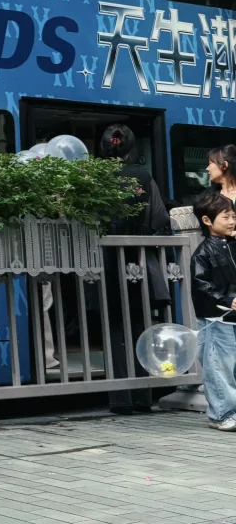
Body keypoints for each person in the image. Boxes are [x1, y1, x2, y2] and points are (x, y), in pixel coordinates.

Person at [98, 123, 171, 413]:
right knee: (141, 326)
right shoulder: (143, 175)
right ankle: (143, 397)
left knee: (114, 327)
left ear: (104, 147)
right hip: (138, 261)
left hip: (106, 262)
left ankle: (120, 399)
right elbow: (159, 219)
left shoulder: (94, 178)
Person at [190, 190, 236, 430]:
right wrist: (228, 300)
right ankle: (221, 414)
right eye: (225, 217)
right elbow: (201, 286)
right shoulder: (203, 253)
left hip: (231, 317)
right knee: (219, 366)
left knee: (231, 366)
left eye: (233, 217)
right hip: (217, 319)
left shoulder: (232, 245)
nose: (231, 222)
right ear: (207, 221)